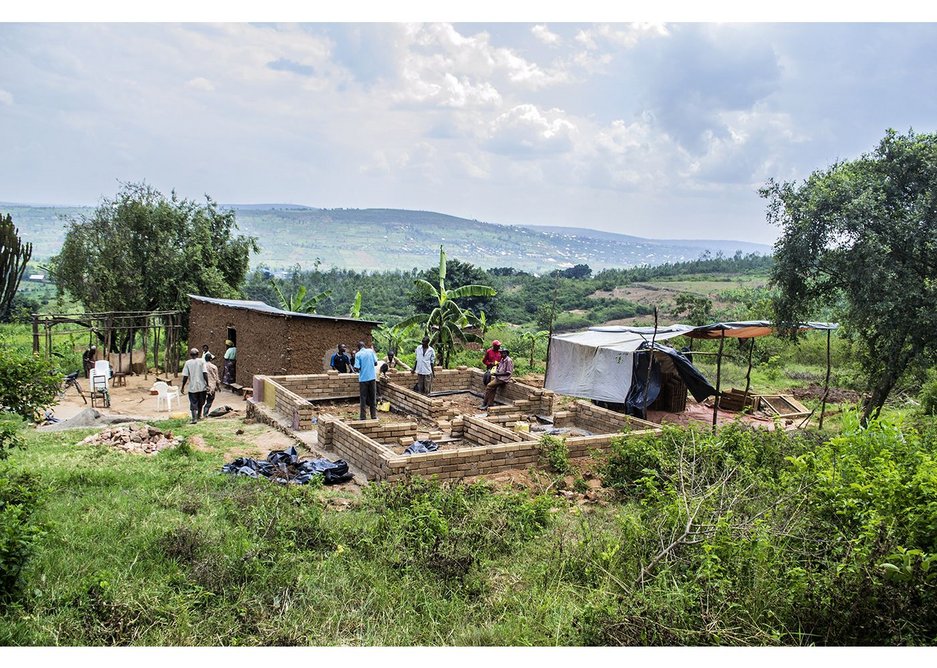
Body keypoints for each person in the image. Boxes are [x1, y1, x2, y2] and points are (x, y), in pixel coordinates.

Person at [180, 347, 209, 424]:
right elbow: (205, 373)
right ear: (198, 354)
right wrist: (208, 384)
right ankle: (199, 415)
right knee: (201, 402)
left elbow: (185, 376)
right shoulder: (202, 361)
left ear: (190, 355)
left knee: (193, 402)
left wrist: (182, 386)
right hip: (202, 386)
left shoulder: (188, 363)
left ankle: (194, 418)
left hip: (192, 387)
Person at [352, 340, 378, 420]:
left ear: (358, 348)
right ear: (364, 346)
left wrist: (357, 369)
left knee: (363, 398)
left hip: (363, 379)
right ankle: (373, 416)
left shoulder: (358, 354)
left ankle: (363, 417)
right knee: (373, 397)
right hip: (372, 378)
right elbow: (376, 363)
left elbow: (357, 367)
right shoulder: (370, 351)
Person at [202, 352, 221, 417]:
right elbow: (216, 378)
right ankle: (205, 413)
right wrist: (218, 387)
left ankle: (199, 414)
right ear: (211, 359)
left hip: (203, 386)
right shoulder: (214, 367)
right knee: (209, 400)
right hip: (211, 386)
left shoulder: (202, 366)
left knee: (202, 400)